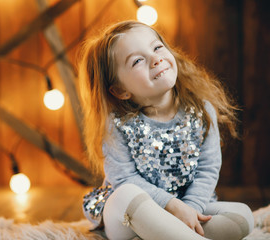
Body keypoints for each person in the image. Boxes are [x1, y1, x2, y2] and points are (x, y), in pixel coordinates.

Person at [78, 20, 254, 240]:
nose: (155, 59)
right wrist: (172, 206)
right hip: (130, 216)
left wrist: (189, 208)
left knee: (243, 215)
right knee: (124, 194)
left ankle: (166, 235)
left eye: (157, 47)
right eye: (138, 61)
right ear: (121, 90)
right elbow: (124, 178)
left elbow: (207, 170)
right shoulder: (117, 123)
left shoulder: (201, 110)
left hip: (186, 205)